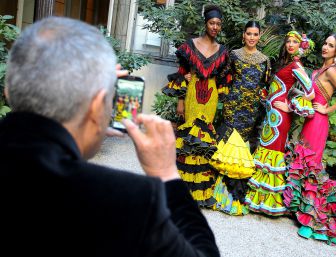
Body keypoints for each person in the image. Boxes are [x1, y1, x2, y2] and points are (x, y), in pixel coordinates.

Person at [0, 17, 220, 257]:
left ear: (8, 91)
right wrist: (167, 175)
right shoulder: (128, 200)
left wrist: (85, 113)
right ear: (96, 108)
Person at [284, 32, 336, 245]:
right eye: (325, 43)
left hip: (318, 122)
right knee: (305, 164)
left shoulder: (333, 71)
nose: (325, 47)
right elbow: (312, 93)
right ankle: (304, 213)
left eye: (331, 45)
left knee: (313, 167)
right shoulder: (323, 69)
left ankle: (313, 221)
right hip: (310, 120)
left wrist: (327, 109)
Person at [162, 4, 230, 207]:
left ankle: (200, 193)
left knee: (205, 138)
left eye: (218, 23)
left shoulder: (223, 51)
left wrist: (222, 99)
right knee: (189, 138)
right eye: (212, 23)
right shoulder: (189, 45)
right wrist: (180, 101)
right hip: (191, 93)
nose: (215, 27)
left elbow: (224, 79)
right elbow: (182, 72)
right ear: (205, 23)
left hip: (210, 97)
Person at [244, 31, 315, 216]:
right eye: (288, 41)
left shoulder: (297, 65)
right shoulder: (287, 63)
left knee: (274, 153)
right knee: (265, 149)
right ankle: (257, 200)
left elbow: (310, 92)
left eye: (295, 42)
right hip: (271, 116)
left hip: (280, 118)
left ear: (301, 46)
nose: (290, 44)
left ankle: (270, 203)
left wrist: (290, 106)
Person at [209, 21, 271, 215]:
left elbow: (266, 86)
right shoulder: (233, 55)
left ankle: (235, 198)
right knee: (227, 147)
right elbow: (222, 78)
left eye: (255, 34)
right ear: (243, 35)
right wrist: (225, 99)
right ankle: (219, 194)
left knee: (243, 150)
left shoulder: (265, 60)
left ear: (259, 36)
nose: (252, 37)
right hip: (232, 107)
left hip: (251, 112)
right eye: (249, 34)